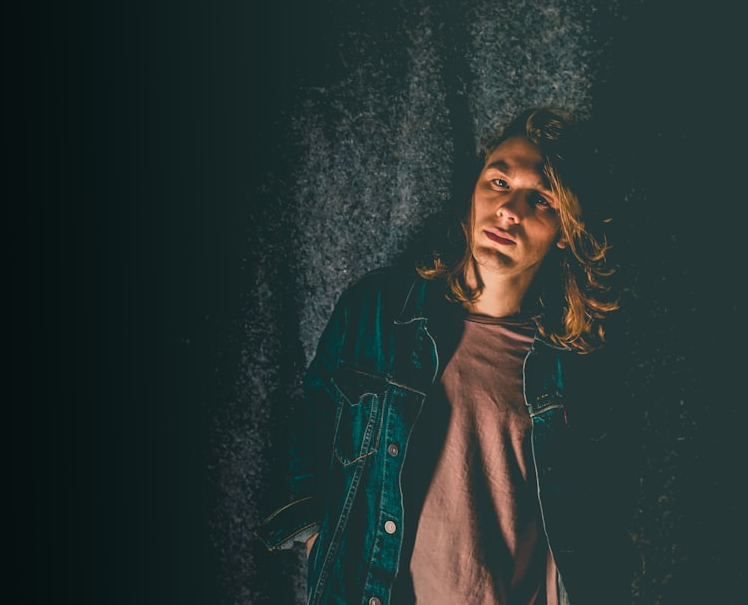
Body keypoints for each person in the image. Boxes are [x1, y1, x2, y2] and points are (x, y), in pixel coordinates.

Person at [258, 107, 638, 604]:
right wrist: (317, 540)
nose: (508, 209)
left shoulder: (580, 368)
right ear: (474, 189)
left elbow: (604, 518)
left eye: (540, 199)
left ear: (565, 228)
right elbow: (309, 419)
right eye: (498, 181)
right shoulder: (377, 311)